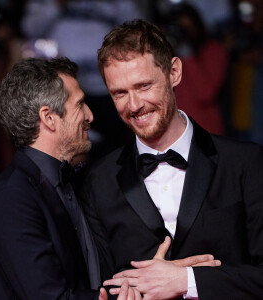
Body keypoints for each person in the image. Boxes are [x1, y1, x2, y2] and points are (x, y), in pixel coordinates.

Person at [79, 19, 263, 299]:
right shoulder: (97, 181)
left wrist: (186, 280)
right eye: (120, 93)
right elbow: (100, 285)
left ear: (174, 72)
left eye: (143, 86)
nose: (134, 105)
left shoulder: (245, 163)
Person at [0, 57, 140, 300]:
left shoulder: (75, 181)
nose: (90, 115)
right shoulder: (12, 198)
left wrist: (145, 279)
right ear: (49, 117)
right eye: (80, 104)